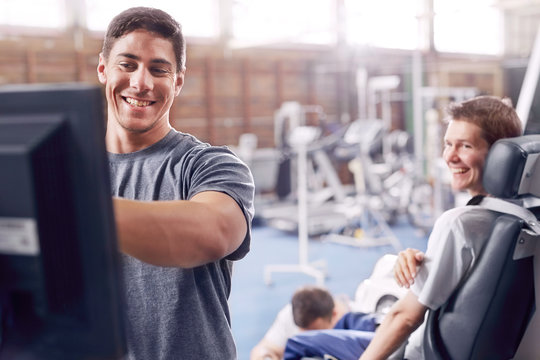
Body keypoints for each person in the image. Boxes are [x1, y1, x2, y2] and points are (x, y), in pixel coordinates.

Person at [280, 96, 523, 360]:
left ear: (500, 154)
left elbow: (404, 318)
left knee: (298, 343)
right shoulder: (522, 218)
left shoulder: (458, 224)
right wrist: (428, 260)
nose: (450, 157)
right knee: (353, 319)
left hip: (412, 349)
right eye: (448, 144)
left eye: (465, 146)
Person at [96, 7, 254, 360]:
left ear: (178, 81)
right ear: (103, 69)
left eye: (159, 69)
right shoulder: (67, 169)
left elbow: (210, 233)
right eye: (127, 64)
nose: (141, 83)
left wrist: (70, 202)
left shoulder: (210, 165)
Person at [251, 285, 379, 360]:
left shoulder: (358, 326)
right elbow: (264, 348)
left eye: (314, 332)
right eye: (303, 332)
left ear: (334, 314)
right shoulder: (292, 314)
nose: (308, 338)